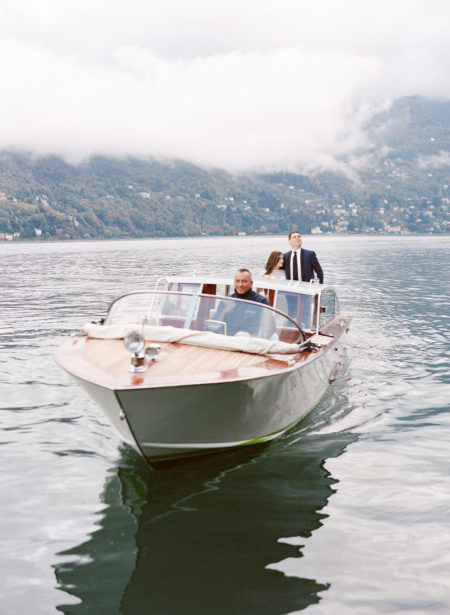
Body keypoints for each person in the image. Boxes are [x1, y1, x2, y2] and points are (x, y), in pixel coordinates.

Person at [214, 268, 271, 336]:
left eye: (244, 281)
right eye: (237, 281)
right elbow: (214, 324)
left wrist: (253, 337)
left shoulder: (261, 301)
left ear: (251, 283)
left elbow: (269, 328)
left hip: (251, 342)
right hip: (228, 341)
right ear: (234, 282)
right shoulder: (225, 302)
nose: (240, 285)